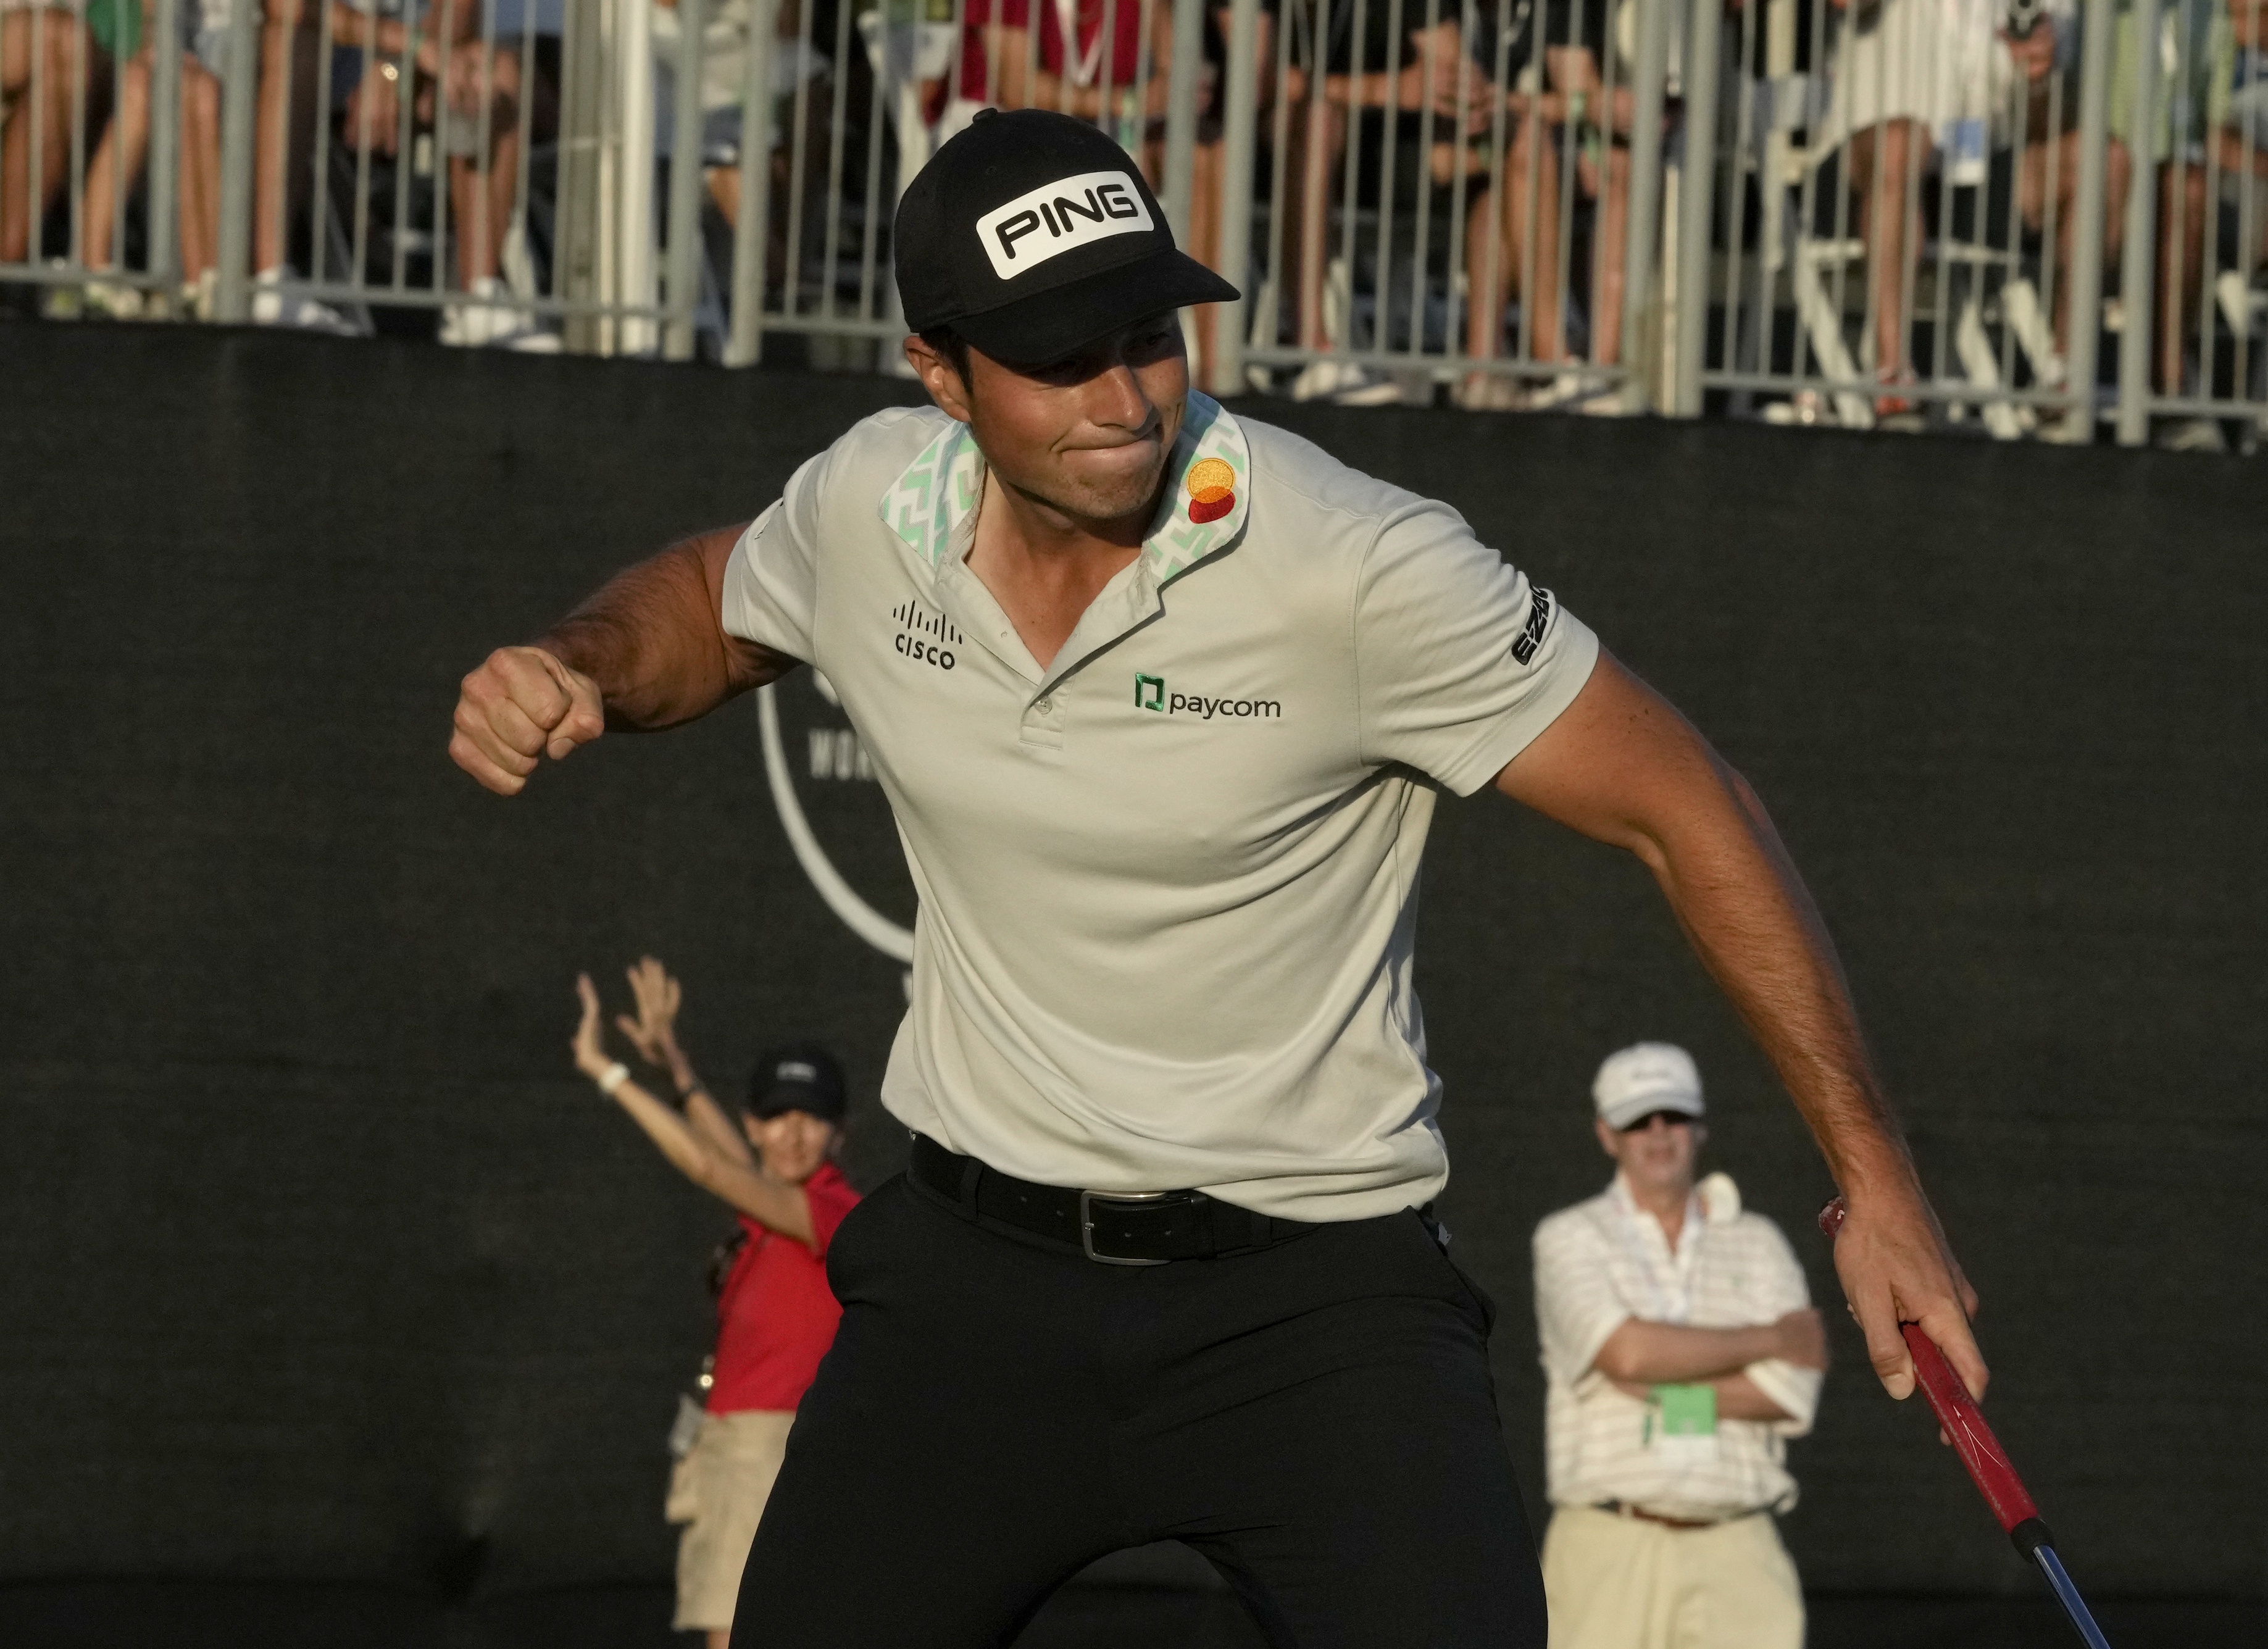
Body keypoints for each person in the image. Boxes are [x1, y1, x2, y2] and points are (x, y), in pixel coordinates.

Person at [449, 106, 1983, 1648]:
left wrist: (1877, 1180)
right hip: (974, 1292)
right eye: (1059, 355)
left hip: (1310, 1307)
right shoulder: (872, 505)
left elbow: (1687, 805)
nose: (1123, 395)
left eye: (1148, 333)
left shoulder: (1354, 560)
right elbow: (723, 593)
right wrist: (578, 660)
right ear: (937, 371)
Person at [571, 957, 860, 1649]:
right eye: (776, 1117)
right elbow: (729, 1163)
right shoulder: (773, 1211)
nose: (792, 1133)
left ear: (838, 1136)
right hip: (735, 1448)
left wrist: (604, 1071)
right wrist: (675, 1066)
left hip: (768, 1450)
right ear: (753, 1125)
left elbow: (708, 1166)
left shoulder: (828, 1211)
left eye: (811, 1119)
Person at [1532, 1043, 1824, 1649]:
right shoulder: (1567, 1236)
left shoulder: (1758, 1240)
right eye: (1638, 1119)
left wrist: (1659, 1391)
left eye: (1672, 1115)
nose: (1657, 1132)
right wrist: (1767, 1339)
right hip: (1609, 1546)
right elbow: (1625, 1354)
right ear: (1606, 1134)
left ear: (1698, 1127)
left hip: (1738, 1548)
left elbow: (1791, 1390)